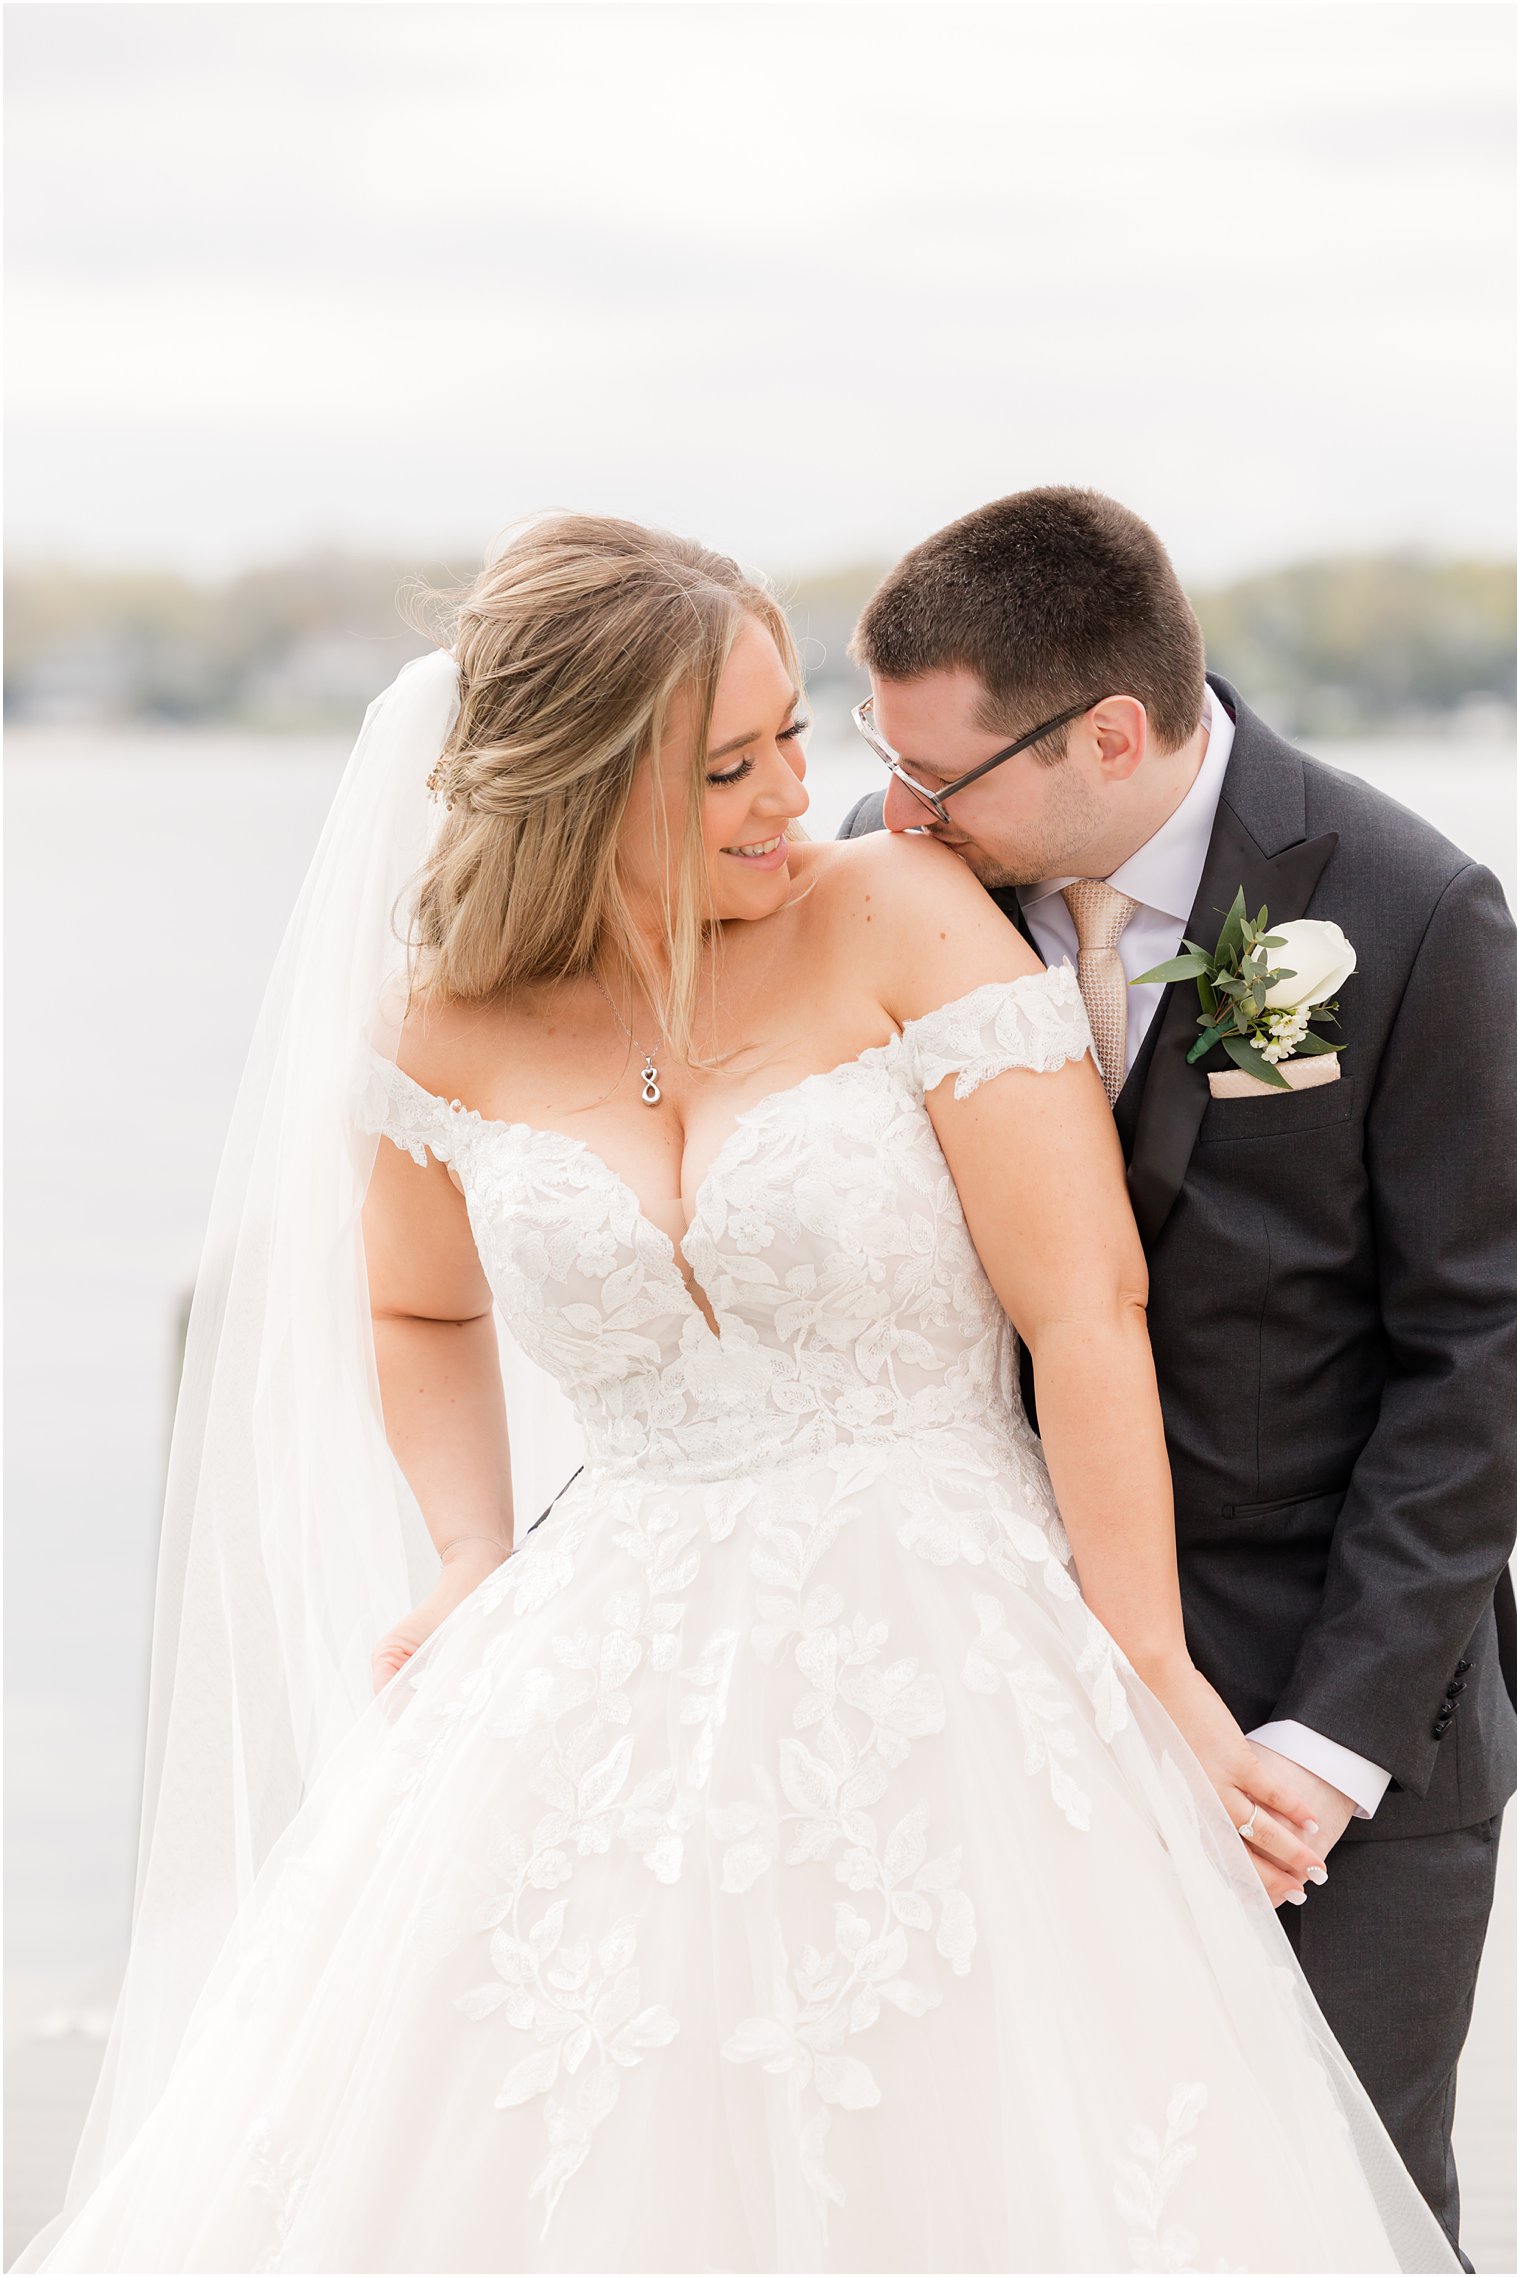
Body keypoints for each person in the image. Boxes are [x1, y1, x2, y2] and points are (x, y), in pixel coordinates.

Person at [15, 515, 1462, 2273]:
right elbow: (414, 1299)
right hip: (601, 1667)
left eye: (796, 735)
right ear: (581, 789)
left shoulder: (899, 908)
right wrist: (473, 1545)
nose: (811, 793)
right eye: (732, 765)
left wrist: (1148, 1661)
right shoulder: (441, 1023)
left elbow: (1089, 1309)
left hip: (956, 1650)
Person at [839, 485, 1517, 2271]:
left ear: (1110, 734)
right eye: (880, 761)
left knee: (1338, 2214)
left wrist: (1328, 1741)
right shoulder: (888, 881)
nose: (897, 813)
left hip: (1329, 1723)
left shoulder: (1412, 911)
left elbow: (1478, 1352)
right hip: (991, 1698)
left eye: (942, 776)